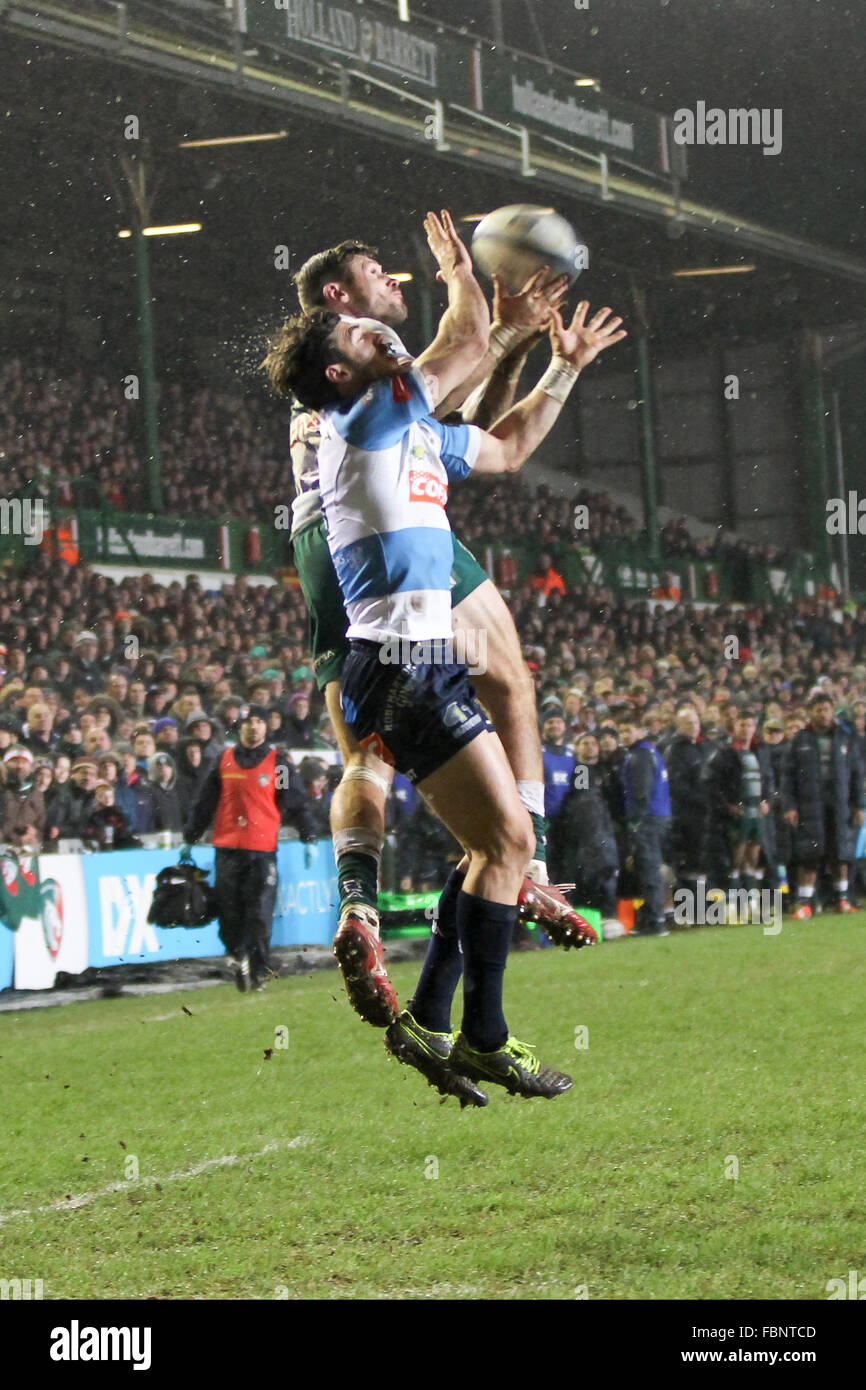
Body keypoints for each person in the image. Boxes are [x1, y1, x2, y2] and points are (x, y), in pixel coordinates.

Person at [265, 208, 624, 1100]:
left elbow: (505, 446)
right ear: (342, 370)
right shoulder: (366, 422)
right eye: (364, 328)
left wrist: (563, 369)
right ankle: (488, 1038)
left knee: (485, 851)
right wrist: (466, 277)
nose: (387, 332)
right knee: (504, 843)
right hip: (402, 670)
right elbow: (463, 341)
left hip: (412, 669)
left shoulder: (413, 429)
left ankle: (432, 1022)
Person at [184, 703, 318, 991]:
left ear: (265, 726)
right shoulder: (223, 761)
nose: (254, 726)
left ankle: (256, 970)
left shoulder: (278, 764)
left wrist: (308, 836)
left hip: (262, 851)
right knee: (230, 911)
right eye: (248, 722)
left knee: (259, 912)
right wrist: (190, 838)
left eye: (259, 721)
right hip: (228, 849)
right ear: (240, 727)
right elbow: (205, 802)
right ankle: (237, 956)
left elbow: (294, 800)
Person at [782, 691, 864, 917]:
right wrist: (789, 806)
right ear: (810, 713)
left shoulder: (845, 737)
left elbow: (857, 775)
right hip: (810, 806)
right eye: (818, 710)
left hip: (840, 806)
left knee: (841, 854)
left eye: (826, 709)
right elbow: (787, 777)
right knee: (810, 854)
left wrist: (860, 805)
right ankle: (805, 903)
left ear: (832, 711)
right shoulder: (800, 740)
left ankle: (843, 900)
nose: (823, 714)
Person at [618, 716, 672, 937]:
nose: (624, 735)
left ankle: (654, 921)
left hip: (648, 818)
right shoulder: (649, 752)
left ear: (639, 731)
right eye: (621, 731)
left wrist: (635, 822)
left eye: (628, 730)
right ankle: (653, 917)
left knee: (649, 868)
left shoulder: (639, 755)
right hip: (658, 816)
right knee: (650, 867)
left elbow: (641, 791)